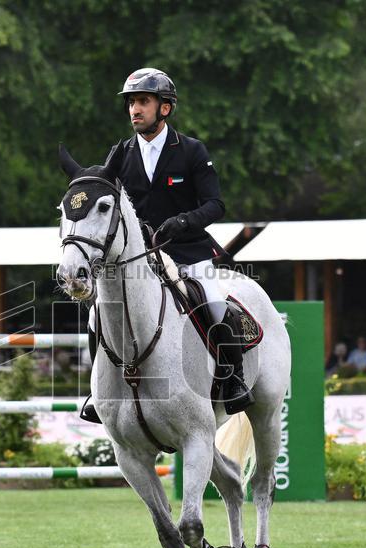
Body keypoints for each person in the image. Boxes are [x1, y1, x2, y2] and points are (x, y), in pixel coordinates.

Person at [80, 67, 248, 423]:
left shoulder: (191, 150)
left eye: (143, 101)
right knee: (97, 313)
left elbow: (215, 205)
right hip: (137, 256)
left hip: (186, 249)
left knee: (214, 301)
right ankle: (99, 392)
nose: (134, 109)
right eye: (131, 103)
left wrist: (184, 221)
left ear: (165, 108)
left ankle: (233, 378)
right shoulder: (119, 154)